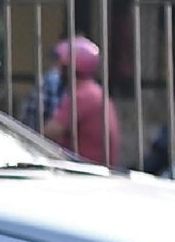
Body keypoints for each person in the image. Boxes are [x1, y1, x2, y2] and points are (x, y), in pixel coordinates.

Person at [45, 36, 123, 168]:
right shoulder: (93, 91)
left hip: (84, 169)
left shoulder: (82, 96)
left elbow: (48, 133)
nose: (56, 70)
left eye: (60, 65)